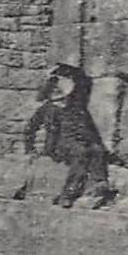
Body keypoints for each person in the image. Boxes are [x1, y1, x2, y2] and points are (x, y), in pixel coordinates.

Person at [24, 64, 113, 209]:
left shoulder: (75, 107)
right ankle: (68, 194)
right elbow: (30, 128)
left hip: (79, 141)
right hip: (59, 145)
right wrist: (30, 149)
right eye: (55, 91)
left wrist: (65, 70)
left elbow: (82, 81)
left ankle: (99, 183)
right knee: (80, 153)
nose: (60, 95)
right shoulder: (48, 109)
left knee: (97, 150)